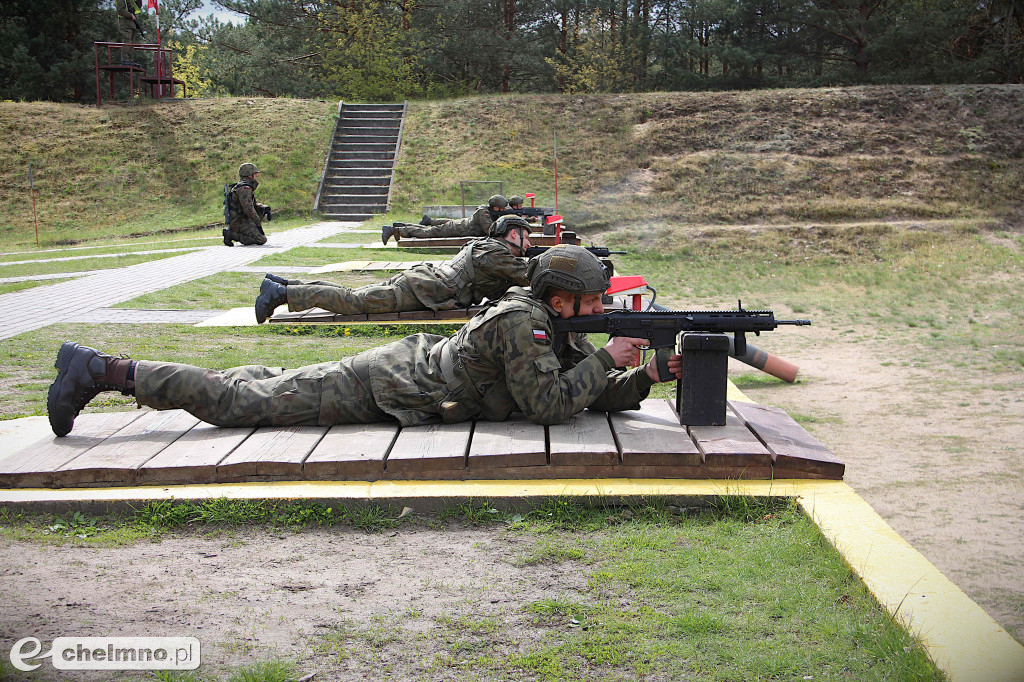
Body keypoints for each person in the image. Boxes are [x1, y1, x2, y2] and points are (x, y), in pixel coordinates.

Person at [46, 246, 681, 437]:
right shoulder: (525, 324)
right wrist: (606, 357)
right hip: (391, 383)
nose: (600, 310)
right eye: (595, 300)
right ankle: (104, 370)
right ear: (561, 297)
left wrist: (646, 376)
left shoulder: (546, 324)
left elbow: (569, 394)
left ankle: (215, 374)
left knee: (263, 389)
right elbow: (547, 405)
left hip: (406, 376)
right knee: (242, 408)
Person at [255, 215, 534, 323]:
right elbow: (527, 273)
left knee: (353, 295)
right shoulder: (496, 255)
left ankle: (286, 287)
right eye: (526, 235)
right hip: (425, 290)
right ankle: (282, 294)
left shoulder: (486, 246)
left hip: (422, 283)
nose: (529, 242)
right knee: (354, 302)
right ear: (513, 234)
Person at [382, 195, 507, 244]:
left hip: (459, 227)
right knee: (427, 233)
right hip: (456, 229)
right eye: (501, 209)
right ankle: (394, 230)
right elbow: (489, 230)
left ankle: (401, 227)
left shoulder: (487, 211)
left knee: (430, 229)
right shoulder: (484, 213)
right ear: (496, 207)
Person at [224, 163, 269, 247]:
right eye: (255, 174)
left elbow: (252, 204)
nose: (256, 176)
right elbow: (249, 209)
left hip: (242, 219)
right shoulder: (244, 188)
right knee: (261, 240)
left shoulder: (245, 187)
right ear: (249, 175)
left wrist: (264, 208)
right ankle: (232, 235)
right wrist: (258, 224)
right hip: (239, 221)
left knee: (260, 237)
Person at [115, 0, 143, 68]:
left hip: (131, 23)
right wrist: (130, 15)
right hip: (125, 23)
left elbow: (137, 6)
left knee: (131, 42)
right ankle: (125, 59)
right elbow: (120, 10)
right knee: (127, 40)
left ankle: (129, 59)